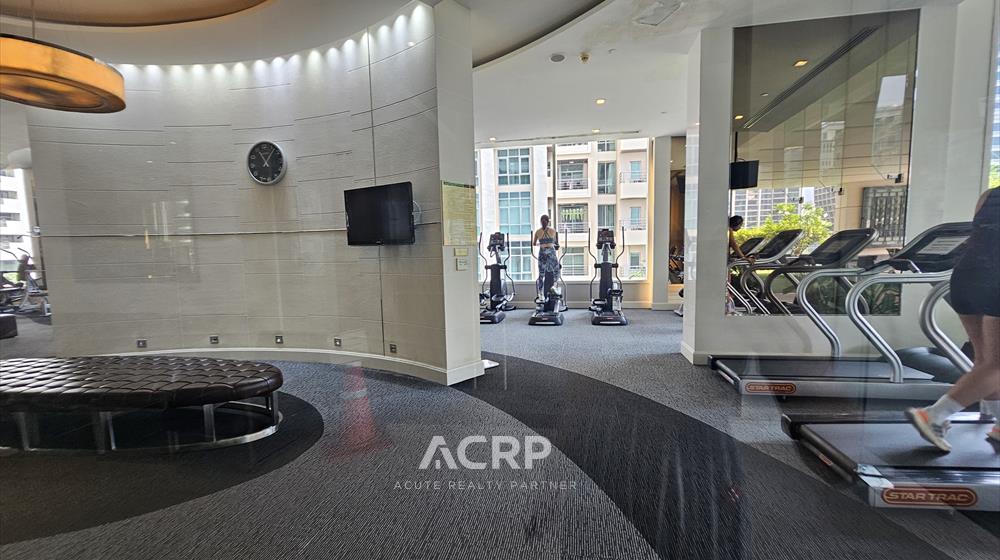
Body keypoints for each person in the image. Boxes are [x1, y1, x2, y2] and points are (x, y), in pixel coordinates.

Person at [907, 188, 1000, 451]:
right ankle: (933, 416)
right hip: (996, 280)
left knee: (985, 361)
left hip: (966, 276)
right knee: (996, 364)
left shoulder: (989, 195)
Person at [726, 215, 754, 314]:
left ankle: (729, 303)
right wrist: (743, 257)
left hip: (725, 259)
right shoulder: (728, 230)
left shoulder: (726, 230)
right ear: (736, 224)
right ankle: (728, 305)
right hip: (724, 261)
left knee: (727, 283)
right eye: (740, 225)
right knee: (727, 283)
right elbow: (733, 244)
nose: (740, 227)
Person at [532, 215, 560, 297]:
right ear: (548, 222)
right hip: (550, 251)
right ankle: (553, 286)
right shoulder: (553, 231)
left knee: (542, 273)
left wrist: (541, 244)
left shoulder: (538, 232)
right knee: (556, 270)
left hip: (543, 251)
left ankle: (541, 291)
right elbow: (556, 243)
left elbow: (534, 243)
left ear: (541, 222)